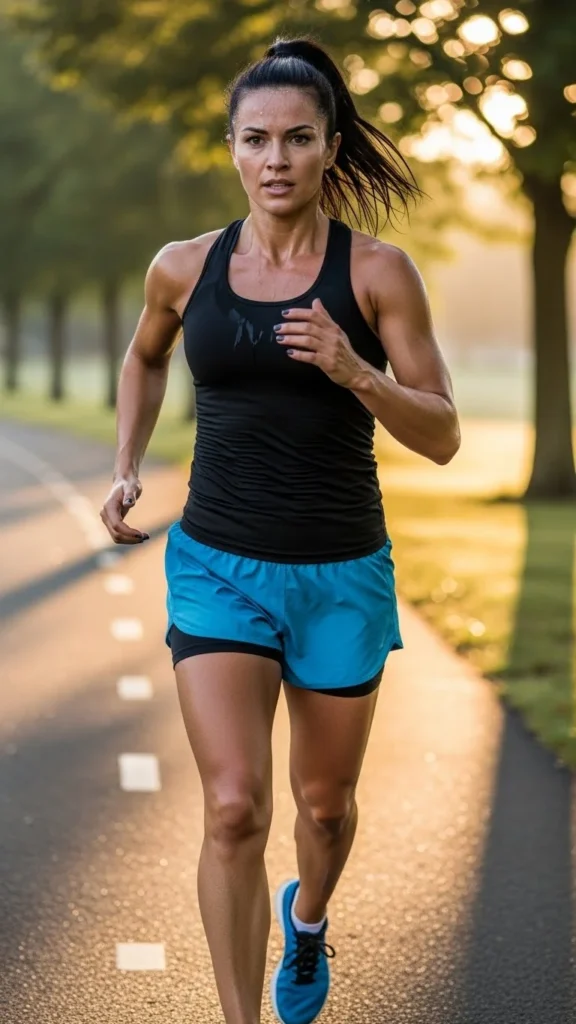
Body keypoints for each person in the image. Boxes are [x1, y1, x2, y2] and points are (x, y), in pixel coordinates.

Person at [100, 35, 460, 1024]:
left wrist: (356, 371)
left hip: (341, 570)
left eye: (298, 138)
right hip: (217, 564)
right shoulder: (184, 267)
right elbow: (143, 360)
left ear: (329, 146)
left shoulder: (379, 274)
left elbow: (443, 435)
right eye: (256, 138)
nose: (276, 158)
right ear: (231, 147)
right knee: (232, 807)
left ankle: (308, 921)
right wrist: (127, 464)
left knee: (323, 807)